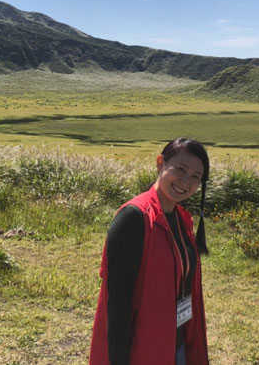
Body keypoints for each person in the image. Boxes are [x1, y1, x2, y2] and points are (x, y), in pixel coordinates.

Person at [89, 138, 210, 365]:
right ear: (160, 163)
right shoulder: (134, 218)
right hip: (143, 351)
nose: (186, 182)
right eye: (180, 169)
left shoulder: (181, 219)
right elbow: (117, 306)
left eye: (196, 176)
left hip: (177, 344)